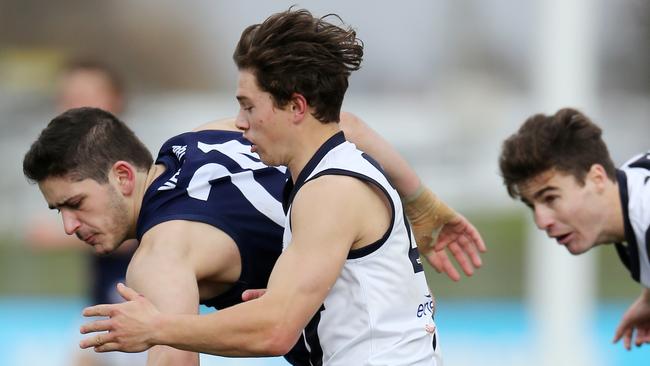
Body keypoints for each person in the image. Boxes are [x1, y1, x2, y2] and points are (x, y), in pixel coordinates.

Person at [75, 8, 485, 365]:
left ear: (296, 106)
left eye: (249, 105)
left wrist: (157, 328)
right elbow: (284, 321)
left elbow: (274, 332)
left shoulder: (330, 190)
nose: (239, 121)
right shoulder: (323, 172)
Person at [23, 105, 484, 365]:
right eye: (57, 210)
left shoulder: (160, 254)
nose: (68, 226)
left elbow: (180, 359)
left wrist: (157, 330)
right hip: (405, 329)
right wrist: (423, 205)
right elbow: (350, 125)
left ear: (123, 176)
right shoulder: (205, 136)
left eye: (75, 203)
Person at [498, 107, 650, 350]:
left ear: (597, 178)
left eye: (550, 198)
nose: (541, 221)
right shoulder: (633, 180)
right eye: (532, 205)